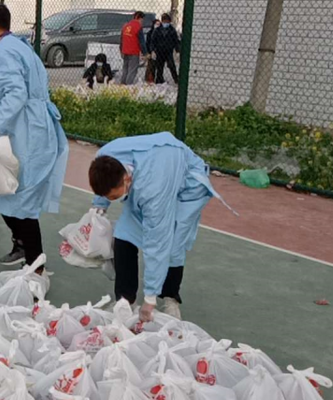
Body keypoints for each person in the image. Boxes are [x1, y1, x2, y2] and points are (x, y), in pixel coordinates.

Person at [88, 132, 229, 321]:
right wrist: (100, 205)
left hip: (186, 188)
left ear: (126, 180)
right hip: (150, 169)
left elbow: (157, 243)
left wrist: (150, 298)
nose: (112, 200)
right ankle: (125, 300)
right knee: (123, 236)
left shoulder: (154, 192)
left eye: (113, 197)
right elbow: (104, 187)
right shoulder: (105, 157)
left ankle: (170, 298)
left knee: (172, 245)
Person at [0, 3, 69, 267]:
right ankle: (22, 245)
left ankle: (36, 265)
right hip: (32, 126)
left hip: (26, 129)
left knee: (21, 197)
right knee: (9, 192)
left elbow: (15, 93)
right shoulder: (18, 46)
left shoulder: (3, 51)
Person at [150, 13, 180, 85]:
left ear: (169, 22)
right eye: (164, 22)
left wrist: (177, 50)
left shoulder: (172, 30)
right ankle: (159, 80)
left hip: (168, 51)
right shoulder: (157, 30)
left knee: (171, 65)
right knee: (159, 67)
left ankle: (176, 79)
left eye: (167, 22)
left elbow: (176, 41)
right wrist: (153, 50)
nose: (165, 23)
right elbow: (153, 41)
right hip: (159, 51)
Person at [119, 11, 144, 85]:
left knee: (125, 69)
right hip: (134, 51)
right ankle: (128, 85)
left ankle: (123, 84)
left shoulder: (126, 26)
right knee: (132, 70)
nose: (142, 22)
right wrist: (145, 53)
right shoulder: (138, 27)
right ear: (139, 18)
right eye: (142, 20)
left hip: (125, 51)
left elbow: (121, 39)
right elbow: (141, 41)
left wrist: (121, 50)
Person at [143, 18, 161, 84]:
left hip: (159, 52)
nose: (158, 25)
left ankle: (159, 79)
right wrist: (149, 52)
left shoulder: (161, 33)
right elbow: (147, 43)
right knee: (151, 66)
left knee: (159, 66)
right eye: (156, 24)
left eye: (159, 24)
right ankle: (149, 78)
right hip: (151, 52)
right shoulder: (150, 33)